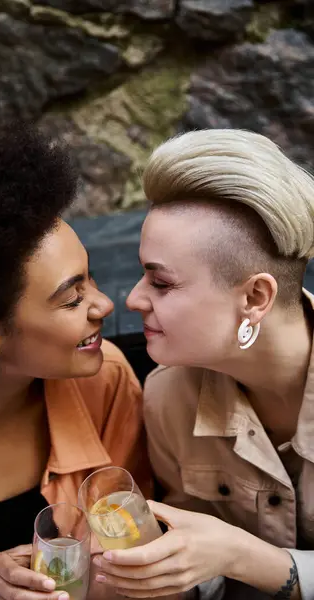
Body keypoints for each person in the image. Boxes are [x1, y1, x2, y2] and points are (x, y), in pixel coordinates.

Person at [0, 129, 149, 600]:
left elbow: (140, 557)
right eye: (72, 298)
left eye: (92, 278)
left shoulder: (106, 379)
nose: (105, 304)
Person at [93, 129, 314, 600]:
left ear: (256, 297)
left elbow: (231, 559)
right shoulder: (167, 397)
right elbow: (200, 575)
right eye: (141, 273)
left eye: (162, 282)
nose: (132, 299)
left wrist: (246, 557)